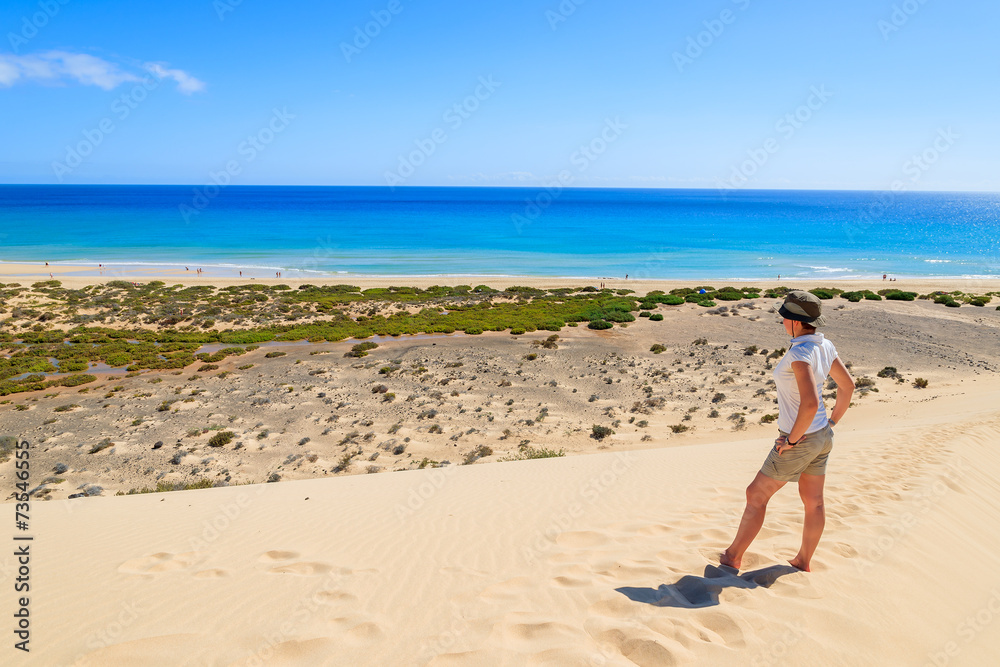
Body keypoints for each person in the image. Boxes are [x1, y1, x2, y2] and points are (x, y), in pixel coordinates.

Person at [720, 290, 855, 572]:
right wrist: (832, 423)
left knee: (756, 495)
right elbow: (848, 386)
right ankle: (803, 561)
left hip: (802, 438)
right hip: (821, 437)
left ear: (794, 321)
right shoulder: (824, 345)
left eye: (784, 316)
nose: (781, 321)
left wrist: (791, 440)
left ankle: (733, 557)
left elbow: (809, 403)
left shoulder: (800, 353)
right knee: (814, 502)